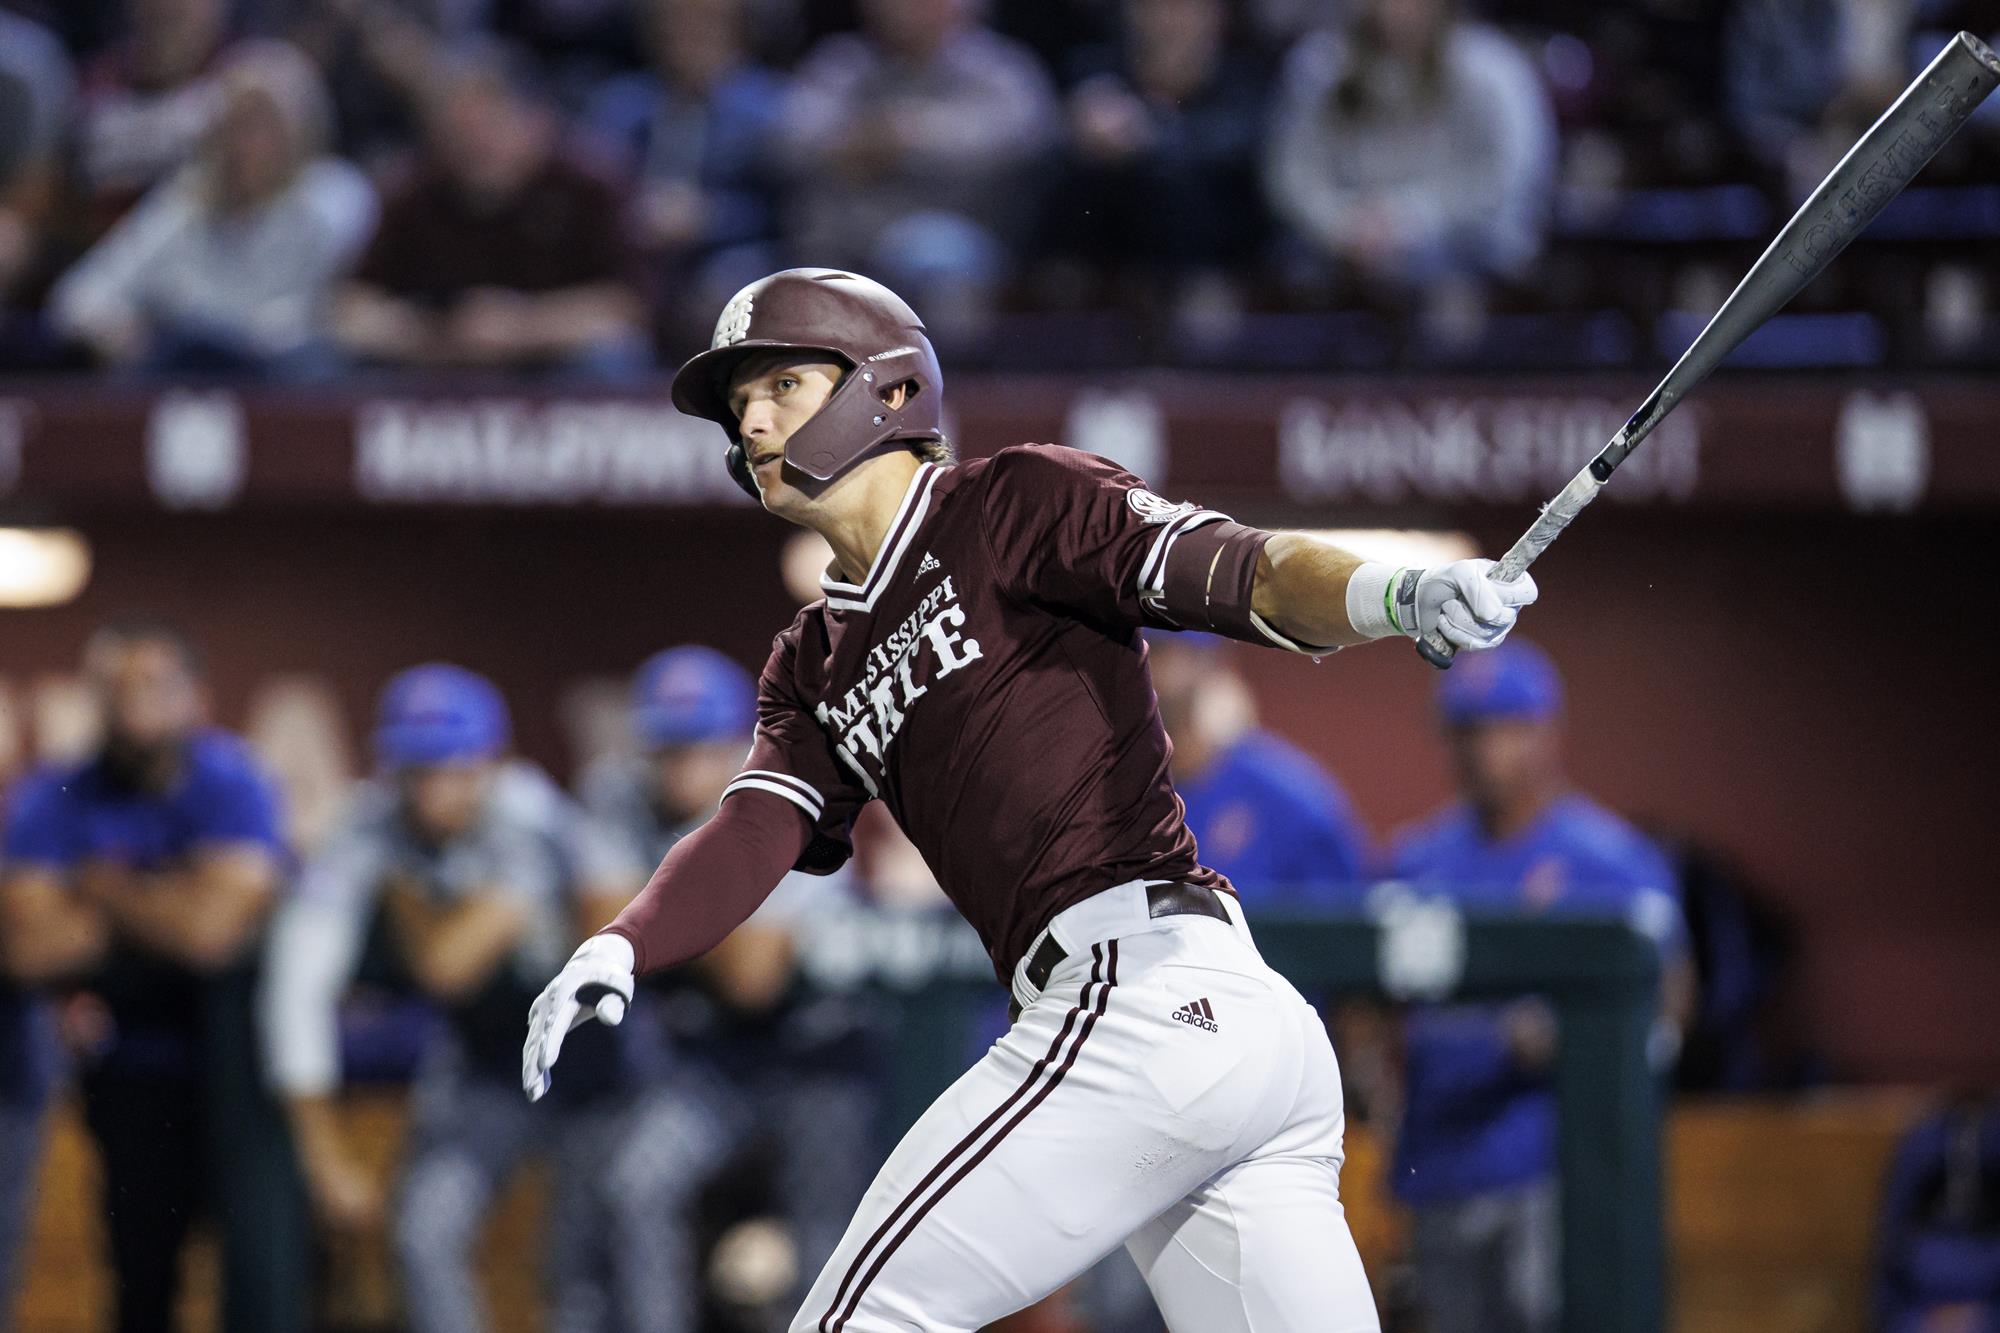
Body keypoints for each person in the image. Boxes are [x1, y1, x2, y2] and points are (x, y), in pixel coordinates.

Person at [524, 266, 1538, 1331]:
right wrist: (626, 941)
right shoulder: (812, 655)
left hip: (1137, 998)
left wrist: (1394, 591)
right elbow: (755, 825)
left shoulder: (1014, 500)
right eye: (739, 406)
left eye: (780, 383)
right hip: (1209, 1029)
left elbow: (1246, 571)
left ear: (887, 389)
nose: (753, 421)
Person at [260, 663, 672, 1332]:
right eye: (414, 769)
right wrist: (325, 1154)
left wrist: (403, 902)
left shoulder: (536, 817)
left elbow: (448, 964)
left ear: (490, 763)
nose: (430, 791)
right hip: (492, 1068)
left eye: (450, 767)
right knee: (424, 1227)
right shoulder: (367, 824)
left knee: (581, 1272)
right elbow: (296, 982)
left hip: (600, 1070)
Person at [0, 620, 307, 1333]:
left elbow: (210, 935)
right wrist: (176, 892)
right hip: (130, 1072)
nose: (132, 707)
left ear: (194, 697)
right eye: (113, 688)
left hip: (246, 1080)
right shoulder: (56, 791)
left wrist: (102, 889)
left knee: (260, 1275)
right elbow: (28, 950)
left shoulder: (234, 781)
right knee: (140, 1277)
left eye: (153, 687)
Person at [1383, 640, 1692, 1333]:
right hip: (1440, 1160)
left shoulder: (1612, 861)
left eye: (1500, 726)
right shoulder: (1416, 860)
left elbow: (1670, 1008)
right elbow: (1372, 1010)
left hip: (1551, 1168)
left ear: (1544, 732)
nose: (1481, 748)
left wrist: (1576, 1042)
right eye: (1465, 728)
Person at [578, 646, 883, 1324]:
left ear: (738, 744)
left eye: (698, 746)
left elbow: (753, 974)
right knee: (636, 1185)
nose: (681, 765)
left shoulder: (791, 792)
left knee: (825, 1232)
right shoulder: (620, 799)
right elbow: (597, 926)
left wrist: (653, 907)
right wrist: (697, 908)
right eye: (667, 747)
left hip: (818, 1064)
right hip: (712, 1071)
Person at [49, 40, 375, 378]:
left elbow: (330, 313)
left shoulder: (329, 195)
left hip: (282, 382)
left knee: (313, 361)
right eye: (235, 124)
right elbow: (76, 299)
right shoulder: (183, 205)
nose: (245, 143)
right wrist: (120, 331)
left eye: (263, 123)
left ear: (300, 131)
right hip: (187, 372)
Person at [332, 41, 648, 377]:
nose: (476, 145)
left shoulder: (590, 185)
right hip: (434, 365)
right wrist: (426, 333)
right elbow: (351, 308)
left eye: (489, 126)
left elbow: (627, 308)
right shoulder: (413, 192)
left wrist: (520, 328)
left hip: (551, 363)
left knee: (609, 360)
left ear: (536, 122)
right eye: (458, 131)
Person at [772, 0, 1060, 335]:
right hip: (842, 240)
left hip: (956, 233)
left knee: (938, 263)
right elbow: (786, 140)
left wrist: (910, 135)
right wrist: (862, 142)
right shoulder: (843, 62)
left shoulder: (999, 68)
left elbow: (1022, 137)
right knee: (746, 284)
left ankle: (947, 385)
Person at [1263, 0, 1555, 291]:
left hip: (1467, 259)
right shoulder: (1320, 65)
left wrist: (1408, 220)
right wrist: (1343, 224)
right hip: (1340, 255)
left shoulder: (1494, 71)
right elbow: (1294, 173)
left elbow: (1508, 177)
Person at [584, 0, 787, 339]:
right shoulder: (623, 102)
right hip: (634, 245)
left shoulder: (770, 106)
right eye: (675, 27)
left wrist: (710, 217)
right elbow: (593, 182)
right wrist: (635, 207)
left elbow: (784, 209)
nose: (688, 38)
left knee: (729, 288)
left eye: (704, 25)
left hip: (731, 252)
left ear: (736, 32)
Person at [1146, 633, 1369, 908]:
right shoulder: (1100, 796)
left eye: (1157, 652)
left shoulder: (1289, 802)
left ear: (1208, 663)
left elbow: (1340, 937)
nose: (1145, 672)